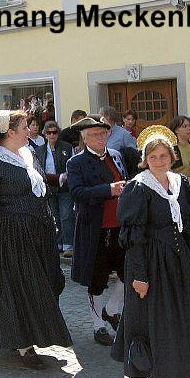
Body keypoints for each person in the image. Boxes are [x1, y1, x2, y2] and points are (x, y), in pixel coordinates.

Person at [0, 110, 72, 369]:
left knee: (42, 284)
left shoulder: (29, 154)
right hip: (9, 237)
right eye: (24, 127)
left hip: (37, 234)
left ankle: (34, 334)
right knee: (18, 288)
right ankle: (24, 344)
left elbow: (40, 194)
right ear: (10, 132)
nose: (29, 130)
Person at [112, 128, 190, 378]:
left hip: (179, 261)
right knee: (162, 320)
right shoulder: (138, 187)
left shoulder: (180, 184)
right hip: (152, 262)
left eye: (164, 155)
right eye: (153, 156)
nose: (159, 160)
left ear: (172, 156)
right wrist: (139, 276)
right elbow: (134, 238)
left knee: (186, 314)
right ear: (145, 159)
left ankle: (169, 369)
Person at [66, 115, 127, 347]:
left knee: (127, 273)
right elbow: (77, 193)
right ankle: (97, 325)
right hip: (95, 229)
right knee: (97, 279)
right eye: (95, 135)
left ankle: (111, 310)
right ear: (84, 138)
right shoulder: (76, 163)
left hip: (120, 227)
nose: (101, 138)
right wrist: (107, 190)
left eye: (103, 133)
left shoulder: (117, 156)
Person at [35, 120, 75, 257]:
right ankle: (58, 243)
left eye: (55, 132)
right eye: (49, 133)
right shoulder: (39, 150)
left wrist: (65, 177)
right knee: (54, 217)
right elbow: (38, 169)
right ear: (45, 134)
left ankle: (69, 245)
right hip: (49, 188)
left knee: (66, 215)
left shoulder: (67, 147)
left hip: (64, 188)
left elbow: (72, 166)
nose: (52, 135)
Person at [170, 116, 190, 188]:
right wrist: (186, 180)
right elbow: (169, 173)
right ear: (176, 130)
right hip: (180, 189)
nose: (189, 129)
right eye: (185, 126)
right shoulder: (173, 149)